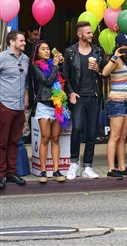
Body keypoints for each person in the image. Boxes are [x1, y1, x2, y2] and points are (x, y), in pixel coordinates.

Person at [63, 21, 106, 180]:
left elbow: (105, 72)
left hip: (93, 96)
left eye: (91, 32)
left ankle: (88, 166)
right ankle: (73, 163)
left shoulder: (98, 51)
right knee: (77, 128)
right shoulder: (70, 52)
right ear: (80, 34)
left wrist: (99, 70)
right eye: (88, 32)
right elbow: (66, 75)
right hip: (78, 97)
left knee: (91, 132)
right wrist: (71, 92)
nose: (91, 35)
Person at [32, 41, 70, 183]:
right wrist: (54, 65)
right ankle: (43, 171)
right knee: (45, 137)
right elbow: (47, 81)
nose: (47, 51)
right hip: (44, 104)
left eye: (48, 48)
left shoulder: (55, 64)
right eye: (43, 49)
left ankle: (56, 170)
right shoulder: (36, 66)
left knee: (55, 138)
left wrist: (62, 64)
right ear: (38, 52)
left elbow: (65, 78)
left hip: (57, 104)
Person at [102, 34, 127, 179]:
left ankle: (122, 166)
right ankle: (111, 168)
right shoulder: (115, 60)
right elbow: (104, 73)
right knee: (115, 136)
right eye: (125, 45)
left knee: (123, 136)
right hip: (116, 101)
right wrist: (115, 56)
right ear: (119, 46)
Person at [0, 30, 29, 189]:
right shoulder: (2, 57)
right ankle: (1, 173)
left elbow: (24, 82)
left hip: (19, 107)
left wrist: (25, 97)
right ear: (12, 42)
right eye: (21, 41)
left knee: (14, 141)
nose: (24, 43)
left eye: (24, 41)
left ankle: (11, 172)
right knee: (2, 141)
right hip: (5, 104)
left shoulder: (25, 59)